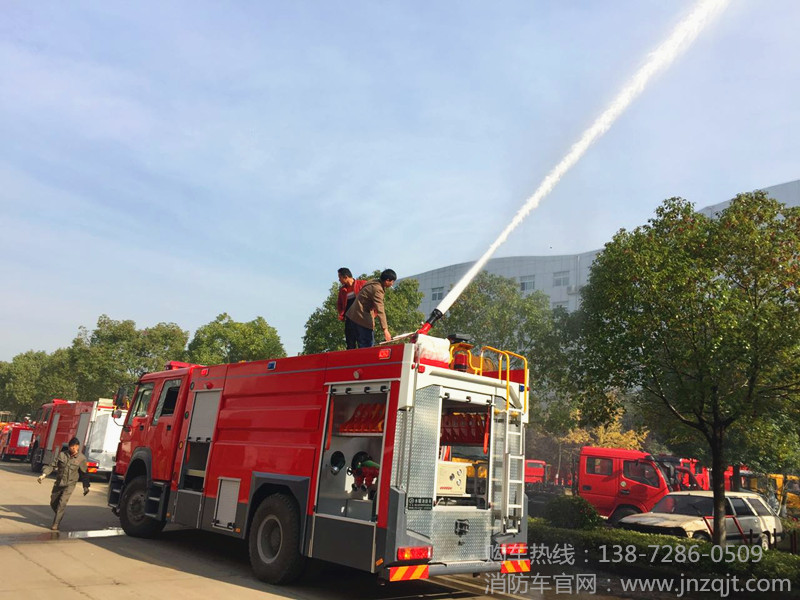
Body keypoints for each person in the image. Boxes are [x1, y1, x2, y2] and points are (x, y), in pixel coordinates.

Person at [37, 437, 90, 530]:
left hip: (70, 484)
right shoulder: (62, 455)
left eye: (75, 447)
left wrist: (86, 486)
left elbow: (84, 474)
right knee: (53, 502)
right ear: (69, 447)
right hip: (59, 483)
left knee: (62, 503)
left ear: (78, 447)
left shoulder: (81, 459)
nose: (73, 449)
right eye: (71, 447)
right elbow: (52, 465)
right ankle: (60, 513)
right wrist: (44, 475)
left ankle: (55, 524)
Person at [345, 269, 397, 348]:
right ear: (387, 281)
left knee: (354, 346)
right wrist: (385, 330)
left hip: (352, 316)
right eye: (392, 281)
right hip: (361, 318)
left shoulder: (372, 282)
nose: (392, 284)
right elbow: (380, 310)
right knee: (367, 345)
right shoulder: (378, 289)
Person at [336, 267, 367, 350]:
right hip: (349, 319)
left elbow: (373, 299)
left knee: (363, 342)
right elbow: (339, 304)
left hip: (361, 318)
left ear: (346, 277)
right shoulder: (342, 290)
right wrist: (342, 314)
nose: (339, 280)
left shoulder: (363, 284)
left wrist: (372, 314)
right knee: (350, 342)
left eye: (340, 277)